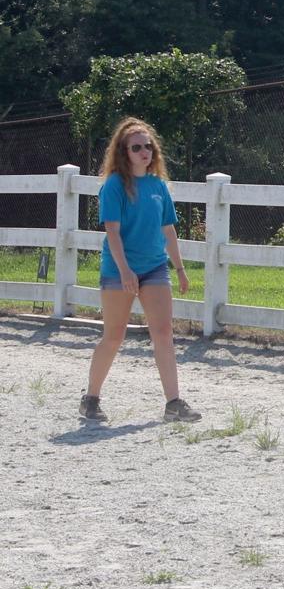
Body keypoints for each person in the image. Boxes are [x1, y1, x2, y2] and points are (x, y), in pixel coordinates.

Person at [79, 117, 202, 423]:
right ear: (124, 151)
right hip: (118, 269)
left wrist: (180, 269)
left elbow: (169, 230)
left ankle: (174, 403)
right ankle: (91, 398)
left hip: (155, 269)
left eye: (148, 145)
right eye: (137, 147)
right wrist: (124, 271)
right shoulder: (114, 187)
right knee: (114, 335)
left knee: (163, 332)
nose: (145, 151)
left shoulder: (159, 186)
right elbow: (113, 232)